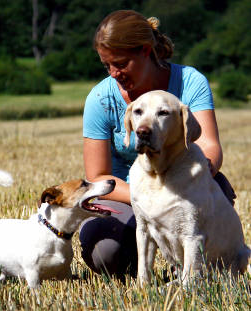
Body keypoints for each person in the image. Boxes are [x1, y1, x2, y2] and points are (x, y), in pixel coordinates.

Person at [79, 9, 236, 278]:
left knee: (214, 192)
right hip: (128, 195)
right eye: (107, 66)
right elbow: (97, 176)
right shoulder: (100, 99)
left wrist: (174, 194)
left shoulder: (190, 82)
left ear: (145, 50)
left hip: (187, 183)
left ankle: (206, 268)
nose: (114, 73)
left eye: (121, 63)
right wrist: (149, 198)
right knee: (105, 252)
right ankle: (146, 271)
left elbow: (210, 147)